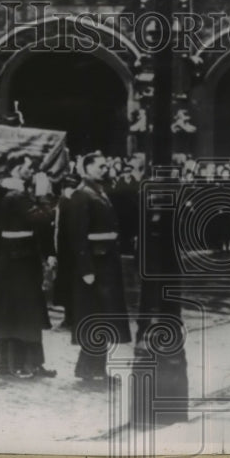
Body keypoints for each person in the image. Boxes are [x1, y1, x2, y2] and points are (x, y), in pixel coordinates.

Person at [0, 155, 58, 379]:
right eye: (28, 167)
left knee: (23, 313)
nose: (32, 171)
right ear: (17, 169)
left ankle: (26, 363)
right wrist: (43, 194)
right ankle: (18, 364)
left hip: (17, 258)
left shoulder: (11, 191)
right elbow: (43, 218)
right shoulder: (16, 195)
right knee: (21, 313)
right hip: (18, 260)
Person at [68, 153, 132, 383]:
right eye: (100, 166)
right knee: (95, 315)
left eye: (106, 166)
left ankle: (93, 368)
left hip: (106, 262)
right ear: (87, 168)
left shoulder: (99, 191)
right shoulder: (82, 194)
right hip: (95, 263)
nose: (105, 169)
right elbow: (78, 235)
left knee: (103, 316)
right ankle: (90, 368)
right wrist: (85, 268)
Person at [51, 176, 78, 330]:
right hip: (70, 250)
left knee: (67, 285)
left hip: (65, 250)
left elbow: (57, 229)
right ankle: (71, 318)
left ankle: (70, 319)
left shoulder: (63, 201)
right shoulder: (75, 200)